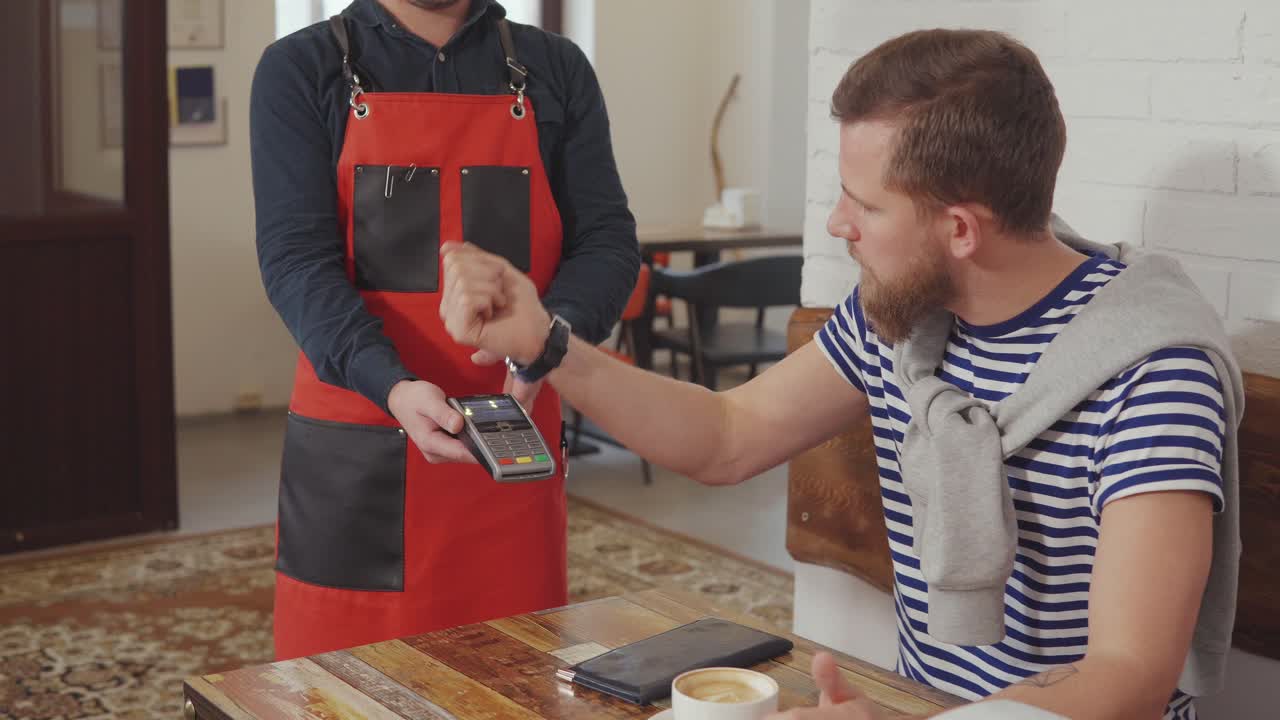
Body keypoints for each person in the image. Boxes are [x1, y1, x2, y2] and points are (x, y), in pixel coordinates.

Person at [437, 28, 1243, 720]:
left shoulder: (1153, 375)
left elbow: (1128, 677)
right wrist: (547, 342)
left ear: (960, 230)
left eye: (866, 205)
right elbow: (727, 436)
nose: (836, 222)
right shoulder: (901, 317)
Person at [249, 0, 639, 660]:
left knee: (511, 674)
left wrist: (545, 346)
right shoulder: (299, 68)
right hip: (358, 443)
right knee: (345, 689)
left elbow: (607, 243)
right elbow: (296, 261)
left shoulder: (556, 68)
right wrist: (391, 384)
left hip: (509, 434)